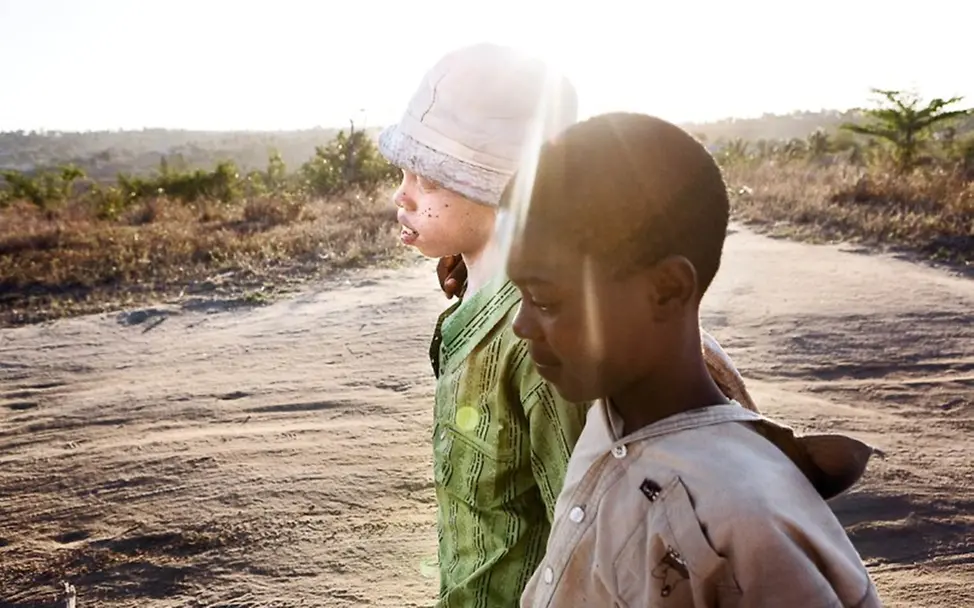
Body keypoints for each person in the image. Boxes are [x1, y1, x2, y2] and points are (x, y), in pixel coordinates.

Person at [378, 43, 760, 607]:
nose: (402, 195)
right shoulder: (474, 307)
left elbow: (591, 544)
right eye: (402, 171)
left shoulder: (542, 343)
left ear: (499, 186)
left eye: (429, 179)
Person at [502, 112, 882, 607]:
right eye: (520, 296)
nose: (521, 325)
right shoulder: (612, 423)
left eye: (546, 300)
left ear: (666, 290)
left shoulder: (743, 518)